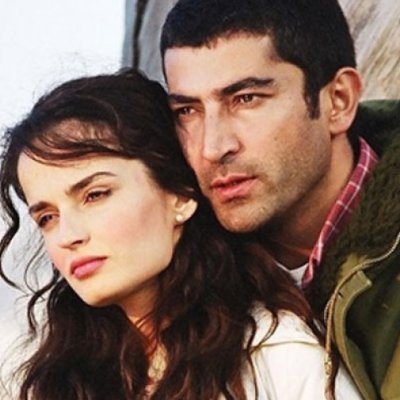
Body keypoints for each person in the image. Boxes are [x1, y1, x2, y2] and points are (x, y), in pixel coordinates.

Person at [0, 69, 362, 399]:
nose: (68, 236)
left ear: (180, 194)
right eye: (47, 217)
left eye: (95, 195)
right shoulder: (52, 381)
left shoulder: (277, 354)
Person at [160, 0, 400, 399]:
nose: (212, 147)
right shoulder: (181, 275)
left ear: (338, 100)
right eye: (188, 110)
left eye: (246, 99)